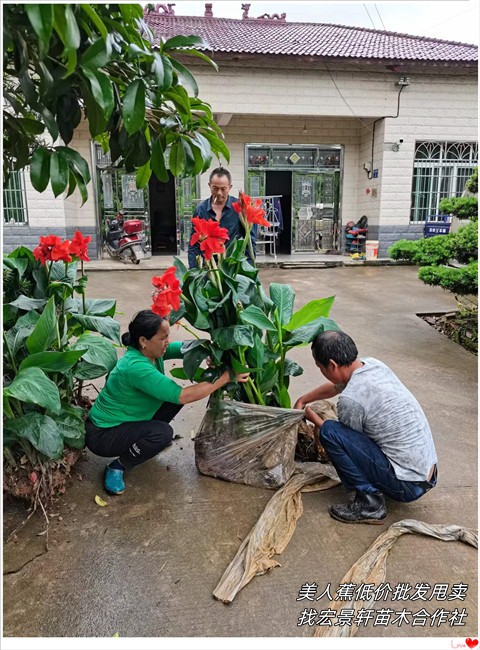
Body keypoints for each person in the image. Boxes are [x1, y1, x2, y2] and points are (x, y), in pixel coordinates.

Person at [86, 310, 249, 495]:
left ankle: (144, 442)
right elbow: (184, 395)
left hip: (128, 420)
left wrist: (208, 353)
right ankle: (118, 466)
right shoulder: (136, 367)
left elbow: (184, 348)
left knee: (172, 401)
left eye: (168, 336)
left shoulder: (151, 352)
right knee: (162, 433)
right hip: (103, 435)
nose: (167, 342)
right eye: (163, 338)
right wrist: (226, 378)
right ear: (143, 341)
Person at [294, 330, 438, 525]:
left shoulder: (352, 400)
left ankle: (370, 503)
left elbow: (346, 442)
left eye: (320, 367)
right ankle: (377, 489)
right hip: (426, 472)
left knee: (329, 431)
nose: (321, 371)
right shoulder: (372, 365)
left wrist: (312, 417)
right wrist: (304, 399)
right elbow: (338, 385)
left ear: (332, 365)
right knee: (335, 430)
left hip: (407, 486)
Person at [187, 166, 257, 268]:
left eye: (223, 189)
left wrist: (249, 271)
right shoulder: (201, 210)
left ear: (230, 187)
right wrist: (193, 273)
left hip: (233, 269)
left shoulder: (240, 209)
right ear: (209, 186)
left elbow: (250, 241)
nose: (219, 193)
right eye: (215, 188)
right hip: (209, 267)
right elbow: (194, 246)